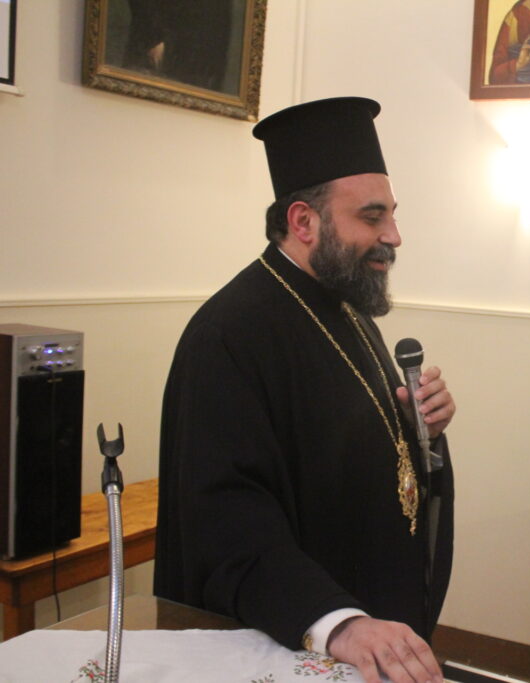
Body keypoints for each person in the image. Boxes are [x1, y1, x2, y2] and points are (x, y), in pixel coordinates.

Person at [154, 97, 455, 683]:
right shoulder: (227, 336)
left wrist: (425, 430)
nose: (394, 235)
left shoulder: (348, 308)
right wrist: (339, 623)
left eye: (392, 215)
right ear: (303, 222)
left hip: (370, 622)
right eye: (372, 217)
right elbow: (225, 522)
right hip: (291, 637)